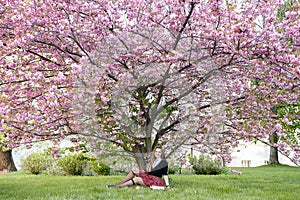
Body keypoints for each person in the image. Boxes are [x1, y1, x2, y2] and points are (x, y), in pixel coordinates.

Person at [107, 146, 172, 189]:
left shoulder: (164, 162)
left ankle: (117, 186)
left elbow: (165, 175)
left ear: (161, 153)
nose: (157, 153)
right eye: (156, 151)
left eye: (159, 152)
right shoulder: (152, 161)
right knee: (134, 170)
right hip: (149, 177)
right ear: (154, 152)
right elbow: (148, 172)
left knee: (137, 179)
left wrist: (167, 185)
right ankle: (122, 183)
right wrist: (142, 171)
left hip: (155, 181)